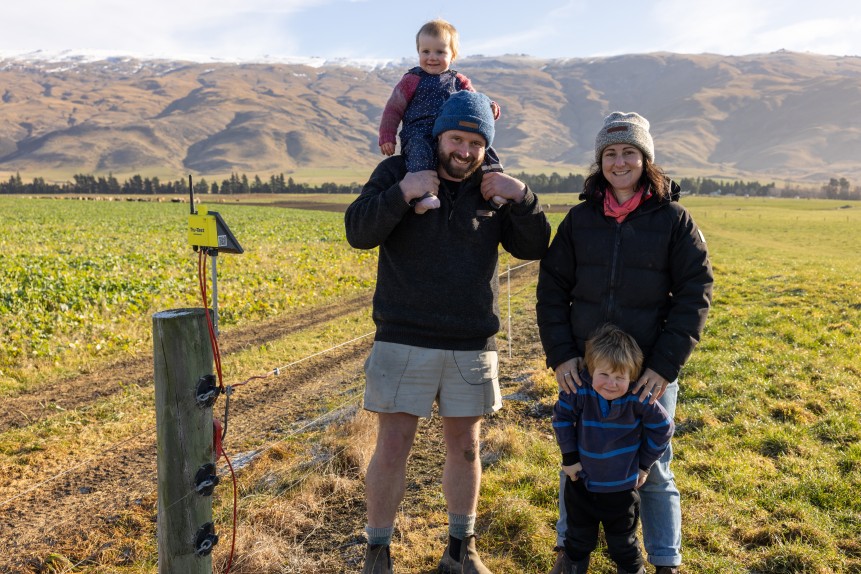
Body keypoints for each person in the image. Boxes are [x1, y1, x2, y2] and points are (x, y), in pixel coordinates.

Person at [347, 90, 551, 574]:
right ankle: (378, 553)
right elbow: (358, 231)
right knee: (392, 446)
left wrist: (522, 197)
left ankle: (461, 552)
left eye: (476, 142)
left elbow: (536, 245)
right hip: (402, 336)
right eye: (457, 138)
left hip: (470, 342)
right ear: (439, 135)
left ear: (487, 146)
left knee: (466, 447)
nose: (465, 151)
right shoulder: (398, 173)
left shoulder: (493, 188)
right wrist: (402, 193)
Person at [536, 111, 713, 574]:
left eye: (629, 152)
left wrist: (664, 366)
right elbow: (552, 290)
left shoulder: (674, 220)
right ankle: (569, 553)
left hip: (647, 370)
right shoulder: (579, 221)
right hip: (587, 370)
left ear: (645, 159)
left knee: (653, 468)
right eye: (610, 153)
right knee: (577, 460)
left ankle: (664, 560)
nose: (619, 162)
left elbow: (695, 292)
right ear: (599, 161)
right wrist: (561, 357)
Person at [552, 323, 675, 574]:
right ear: (590, 369)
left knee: (624, 546)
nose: (611, 384)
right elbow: (561, 418)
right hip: (581, 485)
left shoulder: (638, 397)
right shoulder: (581, 390)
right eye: (604, 375)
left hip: (622, 489)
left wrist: (644, 464)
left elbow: (664, 428)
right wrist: (570, 458)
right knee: (576, 541)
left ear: (632, 376)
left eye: (620, 377)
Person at [378, 18, 504, 214]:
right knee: (420, 154)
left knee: (482, 150)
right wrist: (387, 136)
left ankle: (495, 186)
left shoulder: (459, 81)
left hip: (451, 135)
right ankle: (425, 196)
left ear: (452, 55)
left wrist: (489, 107)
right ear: (418, 52)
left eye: (440, 52)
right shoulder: (411, 80)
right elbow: (393, 109)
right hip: (419, 132)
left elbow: (475, 103)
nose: (432, 57)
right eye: (425, 51)